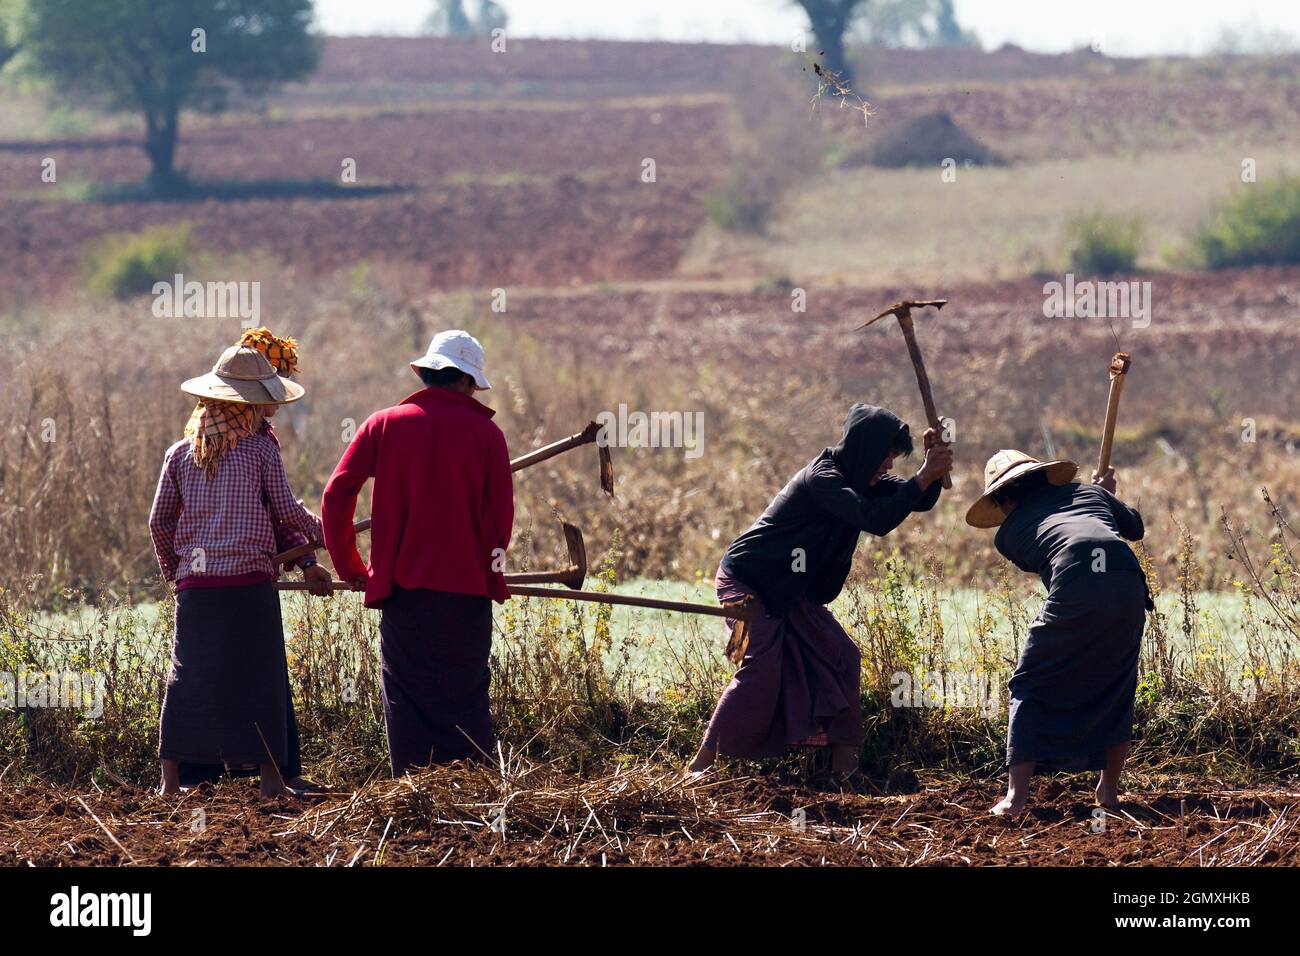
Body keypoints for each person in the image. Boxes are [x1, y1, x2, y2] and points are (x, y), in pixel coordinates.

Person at [687, 403, 953, 782]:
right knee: (761, 662)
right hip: (749, 579)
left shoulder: (864, 479)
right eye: (886, 457)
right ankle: (701, 765)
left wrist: (932, 465)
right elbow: (876, 519)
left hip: (791, 588)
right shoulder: (823, 478)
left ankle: (845, 770)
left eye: (894, 459)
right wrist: (925, 475)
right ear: (864, 449)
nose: (890, 467)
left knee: (843, 655)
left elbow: (916, 497)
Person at [322, 330, 514, 776]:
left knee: (405, 698)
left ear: (427, 373)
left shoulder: (384, 424)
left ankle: (411, 793)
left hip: (403, 592)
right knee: (465, 697)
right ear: (468, 381)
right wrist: (488, 570)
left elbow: (337, 495)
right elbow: (499, 522)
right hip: (467, 595)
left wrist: (352, 568)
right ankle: (476, 791)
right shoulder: (487, 435)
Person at [149, 344, 330, 798]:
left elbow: (159, 521)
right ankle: (272, 782)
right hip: (249, 584)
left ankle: (170, 784)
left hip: (198, 588)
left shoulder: (178, 454)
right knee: (260, 677)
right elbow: (287, 512)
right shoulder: (259, 452)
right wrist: (326, 534)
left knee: (188, 678)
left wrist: (177, 574)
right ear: (246, 406)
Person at [965, 450, 1150, 816]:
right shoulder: (1091, 494)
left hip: (1078, 581)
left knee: (1031, 682)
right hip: (1128, 582)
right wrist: (1107, 495)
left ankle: (1015, 800)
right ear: (1045, 477)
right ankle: (1108, 793)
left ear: (1003, 499)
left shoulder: (1008, 535)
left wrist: (1102, 499)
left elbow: (1055, 549)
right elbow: (1135, 529)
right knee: (1116, 681)